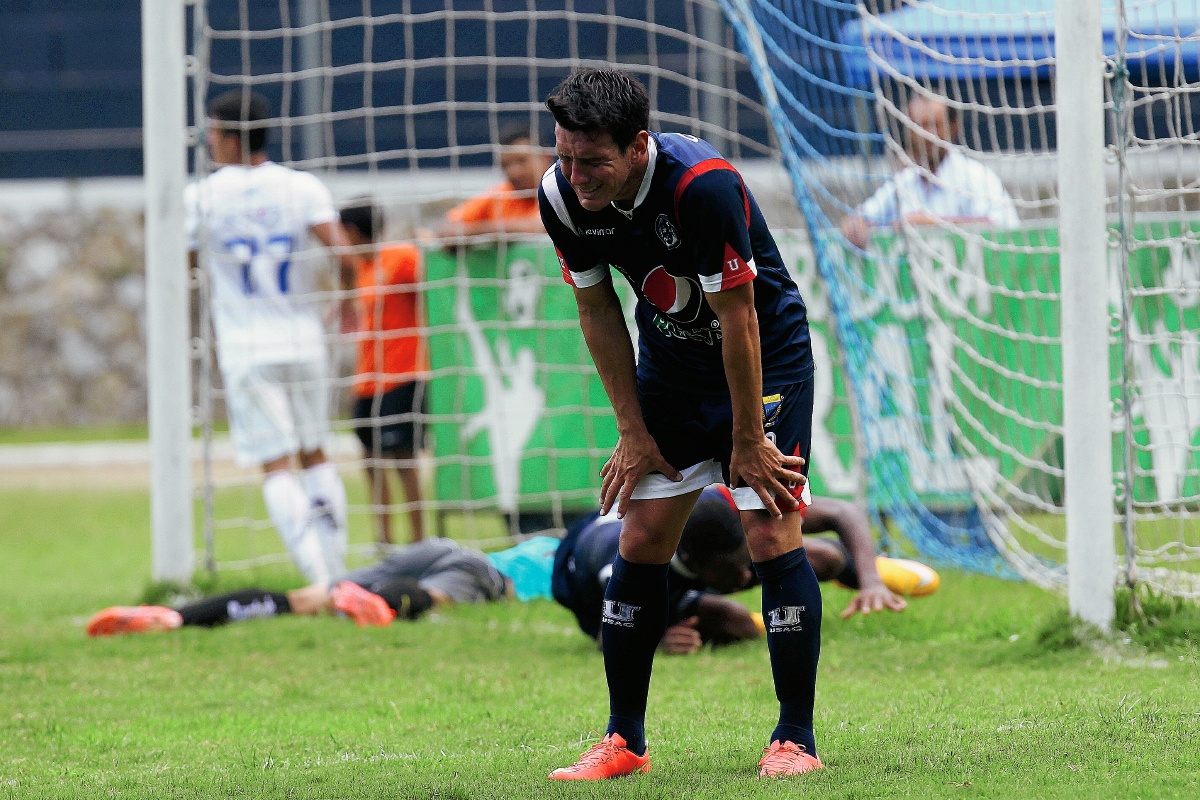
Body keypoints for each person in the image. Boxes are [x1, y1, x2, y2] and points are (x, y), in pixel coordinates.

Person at [540, 68, 823, 780]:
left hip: (765, 359)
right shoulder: (560, 196)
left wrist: (748, 441)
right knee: (639, 536)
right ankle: (623, 742)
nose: (576, 176)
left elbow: (741, 320)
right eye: (566, 157)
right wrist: (632, 431)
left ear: (639, 146)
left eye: (593, 162)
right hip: (669, 366)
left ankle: (794, 740)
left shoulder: (705, 187)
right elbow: (598, 309)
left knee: (768, 526)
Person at [186, 90, 362, 588]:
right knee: (315, 452)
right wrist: (347, 301)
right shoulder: (300, 187)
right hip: (304, 341)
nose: (209, 144)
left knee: (277, 461)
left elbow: (188, 266)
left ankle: (319, 578)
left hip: (247, 347)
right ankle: (339, 569)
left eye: (212, 134)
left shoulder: (202, 194)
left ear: (229, 137)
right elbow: (346, 258)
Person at [554, 486, 931, 655]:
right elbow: (610, 636)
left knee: (819, 558)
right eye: (736, 571)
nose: (748, 576)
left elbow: (841, 512)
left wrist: (871, 582)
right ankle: (763, 618)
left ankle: (869, 572)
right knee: (733, 620)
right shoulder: (627, 564)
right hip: (585, 582)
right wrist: (657, 641)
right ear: (697, 565)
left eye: (746, 561)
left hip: (692, 565)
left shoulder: (728, 503)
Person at [85, 536, 527, 636]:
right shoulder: (555, 556)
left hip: (438, 546)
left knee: (305, 599)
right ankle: (379, 605)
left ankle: (176, 617)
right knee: (435, 597)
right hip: (486, 570)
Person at [340, 201, 428, 544]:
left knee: (404, 463)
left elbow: (432, 285)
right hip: (367, 383)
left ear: (352, 232)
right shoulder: (361, 269)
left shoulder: (401, 257)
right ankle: (384, 542)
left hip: (403, 376)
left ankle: (419, 541)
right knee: (371, 463)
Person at [841, 94, 1020, 250]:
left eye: (934, 125)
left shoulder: (976, 177)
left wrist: (929, 224)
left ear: (953, 127)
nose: (925, 135)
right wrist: (856, 225)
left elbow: (1002, 228)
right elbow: (862, 216)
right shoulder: (904, 182)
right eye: (918, 126)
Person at [439, 124, 554, 239]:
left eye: (521, 161)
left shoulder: (561, 189)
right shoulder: (501, 194)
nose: (513, 172)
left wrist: (480, 231)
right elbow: (449, 228)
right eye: (505, 165)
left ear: (545, 157)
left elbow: (544, 226)